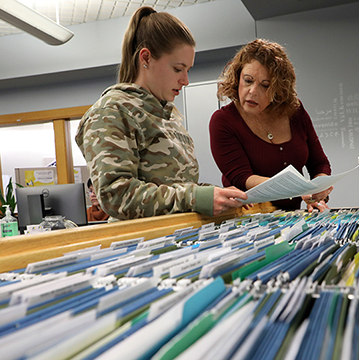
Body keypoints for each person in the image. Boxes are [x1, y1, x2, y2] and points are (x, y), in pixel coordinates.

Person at [75, 6, 247, 221]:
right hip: (138, 247)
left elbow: (181, 188)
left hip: (177, 239)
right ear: (145, 58)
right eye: (178, 69)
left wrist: (220, 195)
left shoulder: (169, 116)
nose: (185, 80)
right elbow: (115, 195)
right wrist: (196, 197)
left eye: (188, 70)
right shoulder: (112, 110)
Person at [209, 39, 333, 212]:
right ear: (237, 79)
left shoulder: (295, 111)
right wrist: (301, 189)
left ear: (279, 88)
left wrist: (319, 188)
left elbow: (319, 163)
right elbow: (242, 178)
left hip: (292, 219)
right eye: (248, 81)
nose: (252, 91)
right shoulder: (223, 120)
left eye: (265, 85)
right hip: (247, 222)